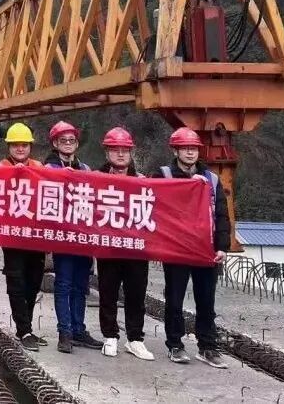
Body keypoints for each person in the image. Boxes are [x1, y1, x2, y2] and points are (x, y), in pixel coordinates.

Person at [154, 127, 230, 369]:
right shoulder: (164, 175)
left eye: (194, 148)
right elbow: (155, 207)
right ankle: (175, 344)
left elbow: (221, 214)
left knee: (206, 301)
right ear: (175, 150)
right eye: (185, 148)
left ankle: (207, 346)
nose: (190, 152)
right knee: (174, 299)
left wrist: (222, 246)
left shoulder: (212, 179)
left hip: (206, 249)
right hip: (177, 249)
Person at [44, 121, 103, 354]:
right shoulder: (48, 169)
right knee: (64, 284)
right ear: (55, 143)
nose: (68, 144)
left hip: (83, 238)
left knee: (81, 285)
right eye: (63, 140)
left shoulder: (85, 168)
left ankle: (78, 329)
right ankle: (65, 332)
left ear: (77, 144)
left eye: (71, 140)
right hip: (62, 237)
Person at [95, 127, 153, 361]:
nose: (120, 154)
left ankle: (135, 338)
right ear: (106, 152)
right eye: (115, 150)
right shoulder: (94, 179)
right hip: (108, 246)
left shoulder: (143, 181)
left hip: (136, 248)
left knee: (136, 293)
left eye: (125, 150)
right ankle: (110, 335)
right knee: (107, 292)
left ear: (131, 153)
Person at [0, 122, 46, 351]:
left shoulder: (39, 168)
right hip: (12, 237)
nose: (20, 148)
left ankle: (28, 328)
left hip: (35, 236)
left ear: (30, 147)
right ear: (9, 147)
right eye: (15, 145)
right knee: (16, 283)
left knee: (33, 283)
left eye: (24, 145)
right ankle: (23, 330)